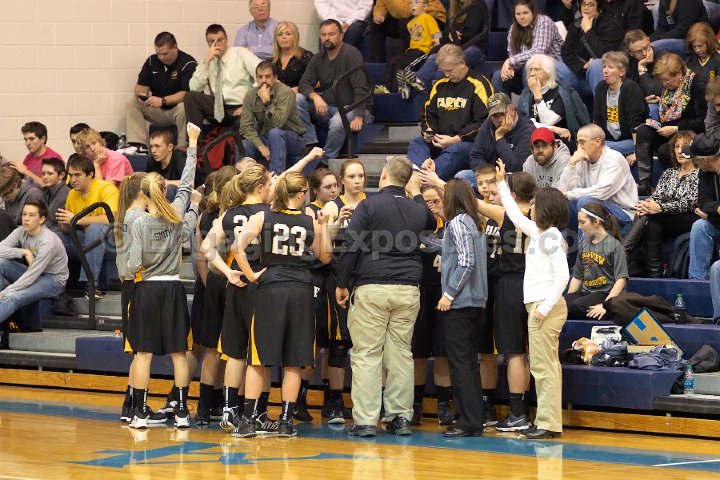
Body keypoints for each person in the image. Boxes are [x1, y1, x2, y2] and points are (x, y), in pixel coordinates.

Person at [335, 156, 436, 438]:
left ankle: (366, 421)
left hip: (373, 285)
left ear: (383, 176)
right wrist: (416, 192)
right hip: (408, 288)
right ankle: (400, 417)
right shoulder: (418, 210)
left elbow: (351, 245)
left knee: (367, 354)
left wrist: (342, 282)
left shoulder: (368, 205)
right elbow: (431, 221)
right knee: (401, 353)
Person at [229, 172, 332, 438]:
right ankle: (286, 421)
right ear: (302, 194)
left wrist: (251, 275)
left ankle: (249, 421)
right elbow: (325, 257)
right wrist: (324, 226)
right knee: (293, 361)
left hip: (271, 289)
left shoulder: (263, 216)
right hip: (301, 290)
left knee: (258, 360)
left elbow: (236, 248)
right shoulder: (310, 220)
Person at [125, 136, 198, 429]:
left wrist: (135, 268)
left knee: (144, 354)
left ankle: (141, 413)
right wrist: (193, 145)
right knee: (179, 353)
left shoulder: (139, 222)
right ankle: (181, 412)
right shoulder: (177, 214)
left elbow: (132, 265)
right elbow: (187, 184)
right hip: (173, 288)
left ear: (144, 194)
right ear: (165, 191)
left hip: (147, 288)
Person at [496, 159, 570, 439]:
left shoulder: (551, 237)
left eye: (536, 204)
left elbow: (563, 276)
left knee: (543, 367)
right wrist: (502, 185)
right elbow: (514, 215)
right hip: (539, 306)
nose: (532, 208)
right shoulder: (540, 233)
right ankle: (548, 422)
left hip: (544, 307)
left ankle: (547, 424)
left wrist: (544, 308)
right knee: (545, 366)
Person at [200, 165, 272, 435]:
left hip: (236, 283)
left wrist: (227, 271)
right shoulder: (267, 213)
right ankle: (258, 413)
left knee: (234, 351)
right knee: (261, 354)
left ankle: (229, 410)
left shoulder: (229, 213)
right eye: (269, 185)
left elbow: (206, 247)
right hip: (260, 283)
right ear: (260, 187)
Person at [474, 172, 537, 433]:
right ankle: (526, 411)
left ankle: (517, 414)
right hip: (534, 284)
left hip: (510, 283)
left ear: (511, 194)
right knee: (526, 353)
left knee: (514, 353)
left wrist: (436, 181)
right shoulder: (539, 216)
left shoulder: (505, 215)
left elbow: (470, 200)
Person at [431, 179, 488, 437]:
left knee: (460, 364)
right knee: (469, 363)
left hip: (460, 302)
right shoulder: (475, 222)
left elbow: (466, 262)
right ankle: (474, 419)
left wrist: (448, 294)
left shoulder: (457, 223)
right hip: (476, 301)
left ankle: (468, 421)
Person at [321, 159, 367, 423]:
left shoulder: (370, 204)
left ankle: (365, 401)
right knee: (338, 342)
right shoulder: (332, 205)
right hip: (338, 278)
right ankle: (335, 401)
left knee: (365, 343)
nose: (357, 180)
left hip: (365, 278)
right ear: (342, 180)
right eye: (352, 176)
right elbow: (323, 243)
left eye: (360, 176)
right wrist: (338, 221)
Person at [407, 44, 492, 180]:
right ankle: (419, 177)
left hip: (468, 144)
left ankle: (423, 180)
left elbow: (484, 121)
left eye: (450, 70)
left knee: (455, 150)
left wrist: (457, 139)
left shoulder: (479, 84)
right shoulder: (439, 85)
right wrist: (428, 130)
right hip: (439, 141)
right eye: (443, 71)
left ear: (462, 63)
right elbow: (428, 114)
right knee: (417, 143)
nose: (446, 75)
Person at [624, 130, 699, 277]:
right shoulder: (669, 173)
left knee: (651, 217)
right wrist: (646, 205)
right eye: (676, 147)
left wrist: (661, 208)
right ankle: (655, 274)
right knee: (651, 222)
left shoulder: (700, 173)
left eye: (684, 146)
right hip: (664, 218)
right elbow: (657, 196)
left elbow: (690, 202)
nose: (679, 151)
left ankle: (622, 250)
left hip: (690, 216)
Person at [296, 167, 339, 422]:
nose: (333, 190)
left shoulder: (342, 208)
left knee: (332, 342)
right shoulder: (310, 213)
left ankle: (331, 400)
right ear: (315, 190)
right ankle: (300, 399)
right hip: (313, 278)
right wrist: (330, 226)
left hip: (333, 279)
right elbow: (318, 253)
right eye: (328, 187)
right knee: (310, 342)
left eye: (335, 186)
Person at [297, 20, 372, 164]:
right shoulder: (318, 58)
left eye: (331, 34)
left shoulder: (352, 54)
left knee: (337, 122)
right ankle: (310, 142)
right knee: (298, 99)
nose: (327, 38)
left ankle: (326, 161)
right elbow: (304, 83)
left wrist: (359, 116)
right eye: (324, 35)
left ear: (341, 36)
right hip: (329, 107)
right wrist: (315, 97)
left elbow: (361, 87)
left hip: (352, 108)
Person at [634, 53, 707, 195]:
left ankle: (674, 188)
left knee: (665, 150)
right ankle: (645, 184)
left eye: (667, 80)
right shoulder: (670, 88)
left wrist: (676, 128)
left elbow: (703, 120)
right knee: (643, 131)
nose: (664, 85)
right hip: (670, 131)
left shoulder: (698, 86)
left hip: (691, 134)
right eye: (662, 81)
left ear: (679, 74)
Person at [411, 184, 452, 426]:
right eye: (427, 202)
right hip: (419, 293)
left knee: (442, 354)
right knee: (417, 353)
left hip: (444, 295)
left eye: (436, 201)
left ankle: (444, 404)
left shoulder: (451, 226)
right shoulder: (414, 229)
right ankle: (415, 404)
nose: (432, 206)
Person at [0, 200, 68, 332]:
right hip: (34, 273)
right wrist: (23, 252)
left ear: (42, 219)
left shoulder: (48, 241)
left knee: (13, 296)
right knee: (1, 262)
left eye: (31, 215)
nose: (26, 218)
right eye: (24, 214)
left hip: (54, 280)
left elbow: (32, 275)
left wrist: (5, 292)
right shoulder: (21, 231)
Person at [57, 155, 119, 299]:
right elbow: (69, 229)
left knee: (95, 228)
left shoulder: (106, 188)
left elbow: (111, 219)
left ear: (90, 174)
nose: (73, 180)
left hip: (112, 241)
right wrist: (66, 223)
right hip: (85, 239)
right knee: (54, 238)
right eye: (71, 175)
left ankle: (91, 285)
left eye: (77, 175)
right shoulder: (72, 194)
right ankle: (53, 285)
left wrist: (77, 219)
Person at [557, 123, 638, 231]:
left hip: (624, 214)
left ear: (597, 142)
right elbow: (565, 191)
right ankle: (572, 240)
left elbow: (601, 193)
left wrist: (570, 194)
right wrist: (571, 164)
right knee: (568, 202)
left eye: (582, 142)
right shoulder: (582, 159)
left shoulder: (614, 159)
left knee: (585, 202)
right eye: (577, 142)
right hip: (598, 208)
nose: (579, 147)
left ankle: (585, 242)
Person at [125, 32, 197, 152]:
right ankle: (138, 145)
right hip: (157, 110)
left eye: (165, 54)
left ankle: (182, 147)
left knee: (184, 106)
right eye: (158, 54)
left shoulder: (188, 63)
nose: (161, 58)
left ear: (175, 47)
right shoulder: (152, 61)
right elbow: (140, 87)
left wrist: (163, 101)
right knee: (132, 101)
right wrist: (142, 94)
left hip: (177, 111)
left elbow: (186, 94)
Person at [187, 24, 261, 132]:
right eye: (212, 41)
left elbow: (263, 75)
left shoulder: (241, 54)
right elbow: (194, 88)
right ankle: (194, 142)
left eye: (220, 40)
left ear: (226, 39)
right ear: (207, 43)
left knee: (244, 121)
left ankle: (233, 141)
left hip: (241, 106)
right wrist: (206, 62)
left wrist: (248, 104)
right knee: (191, 97)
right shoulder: (208, 61)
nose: (216, 44)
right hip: (218, 108)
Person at [239, 61, 307, 175]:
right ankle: (244, 180)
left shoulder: (286, 93)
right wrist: (261, 146)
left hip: (293, 139)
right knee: (244, 145)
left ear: (275, 78)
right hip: (266, 137)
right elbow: (245, 127)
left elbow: (278, 123)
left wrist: (267, 102)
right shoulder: (251, 95)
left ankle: (275, 178)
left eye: (267, 76)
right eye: (260, 77)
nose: (263, 80)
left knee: (275, 133)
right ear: (256, 79)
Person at [565, 202, 628, 320]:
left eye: (582, 222)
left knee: (575, 306)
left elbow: (621, 280)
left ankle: (609, 311)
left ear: (596, 222)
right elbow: (577, 277)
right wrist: (567, 300)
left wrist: (605, 306)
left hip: (605, 293)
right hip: (587, 293)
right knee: (561, 305)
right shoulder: (584, 245)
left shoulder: (615, 246)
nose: (579, 227)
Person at [410, 0, 489, 92]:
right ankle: (417, 82)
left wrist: (453, 33)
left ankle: (432, 86)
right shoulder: (452, 7)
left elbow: (469, 33)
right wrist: (451, 34)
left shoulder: (477, 4)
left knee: (450, 60)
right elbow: (446, 32)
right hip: (455, 47)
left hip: (475, 47)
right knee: (434, 57)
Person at [492, 0, 563, 96]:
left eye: (525, 13)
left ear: (533, 12)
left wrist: (510, 61)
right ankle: (502, 105)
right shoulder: (513, 28)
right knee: (498, 76)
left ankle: (531, 104)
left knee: (530, 66)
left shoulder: (544, 22)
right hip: (524, 72)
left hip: (551, 72)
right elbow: (513, 55)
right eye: (518, 14)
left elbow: (538, 51)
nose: (521, 17)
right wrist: (511, 69)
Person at [516, 54, 591, 145]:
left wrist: (537, 95)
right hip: (534, 142)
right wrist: (553, 128)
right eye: (530, 70)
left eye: (537, 69)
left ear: (548, 72)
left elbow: (548, 121)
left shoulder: (560, 91)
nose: (532, 74)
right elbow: (525, 123)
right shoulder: (526, 95)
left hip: (559, 141)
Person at [557, 0, 624, 97]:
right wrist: (583, 66)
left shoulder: (611, 25)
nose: (586, 8)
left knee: (597, 64)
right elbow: (566, 52)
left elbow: (604, 55)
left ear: (599, 7)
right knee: (555, 66)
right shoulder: (576, 24)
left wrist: (588, 31)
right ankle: (570, 104)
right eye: (583, 4)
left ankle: (603, 104)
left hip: (602, 77)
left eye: (591, 4)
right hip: (581, 75)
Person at [374, 0, 441, 95]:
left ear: (425, 6)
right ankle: (385, 86)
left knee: (402, 66)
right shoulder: (409, 23)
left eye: (416, 3)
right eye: (411, 3)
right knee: (392, 62)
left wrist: (437, 46)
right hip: (411, 50)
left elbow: (436, 33)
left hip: (423, 50)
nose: (413, 5)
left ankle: (397, 90)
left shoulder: (428, 18)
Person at [593, 51, 647, 161]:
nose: (605, 71)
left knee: (595, 149)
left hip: (629, 141)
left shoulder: (630, 88)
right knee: (588, 145)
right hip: (609, 140)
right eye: (604, 67)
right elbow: (597, 120)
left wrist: (638, 152)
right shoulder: (601, 87)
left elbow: (636, 124)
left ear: (622, 72)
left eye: (611, 67)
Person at [467, 92, 536, 174]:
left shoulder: (527, 130)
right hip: (490, 175)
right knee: (463, 175)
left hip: (513, 177)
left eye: (503, 114)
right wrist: (488, 174)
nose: (499, 119)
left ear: (512, 110)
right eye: (495, 116)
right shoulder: (487, 125)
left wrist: (499, 137)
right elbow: (475, 156)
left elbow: (517, 167)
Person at [686, 134, 720, 280]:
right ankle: (697, 280)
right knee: (700, 226)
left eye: (695, 160)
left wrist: (710, 214)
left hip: (715, 219)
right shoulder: (705, 172)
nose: (695, 163)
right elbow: (703, 202)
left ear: (705, 160)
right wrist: (717, 209)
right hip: (717, 221)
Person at [368, 0, 446, 62]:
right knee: (377, 24)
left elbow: (406, 11)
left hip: (432, 17)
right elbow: (380, 4)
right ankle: (375, 63)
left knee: (404, 23)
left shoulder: (430, 20)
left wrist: (438, 43)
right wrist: (379, 13)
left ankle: (409, 59)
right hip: (407, 18)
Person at [272, 22, 313, 91]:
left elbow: (318, 81)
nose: (284, 37)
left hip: (300, 94)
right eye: (280, 34)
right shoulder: (273, 61)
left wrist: (299, 88)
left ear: (295, 37)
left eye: (288, 34)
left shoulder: (306, 57)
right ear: (276, 39)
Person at [40, 158, 70, 233]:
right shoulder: (44, 192)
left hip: (59, 234)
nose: (45, 177)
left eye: (50, 174)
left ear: (61, 175)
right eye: (43, 173)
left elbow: (62, 226)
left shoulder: (67, 194)